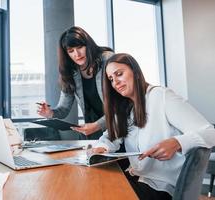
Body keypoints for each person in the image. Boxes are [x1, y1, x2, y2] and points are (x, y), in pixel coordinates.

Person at [92, 53, 215, 199]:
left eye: (119, 74)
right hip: (139, 178)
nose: (115, 82)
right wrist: (102, 147)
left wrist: (177, 143)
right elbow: (110, 137)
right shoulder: (125, 108)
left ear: (135, 72)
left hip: (163, 187)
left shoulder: (161, 96)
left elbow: (210, 132)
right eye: (111, 79)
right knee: (96, 186)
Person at [37, 26, 114, 139]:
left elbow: (120, 106)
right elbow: (63, 109)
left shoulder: (107, 59)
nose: (77, 54)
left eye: (80, 47)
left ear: (88, 45)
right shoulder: (70, 72)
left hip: (116, 126)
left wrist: (97, 125)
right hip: (91, 131)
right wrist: (50, 113)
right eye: (71, 51)